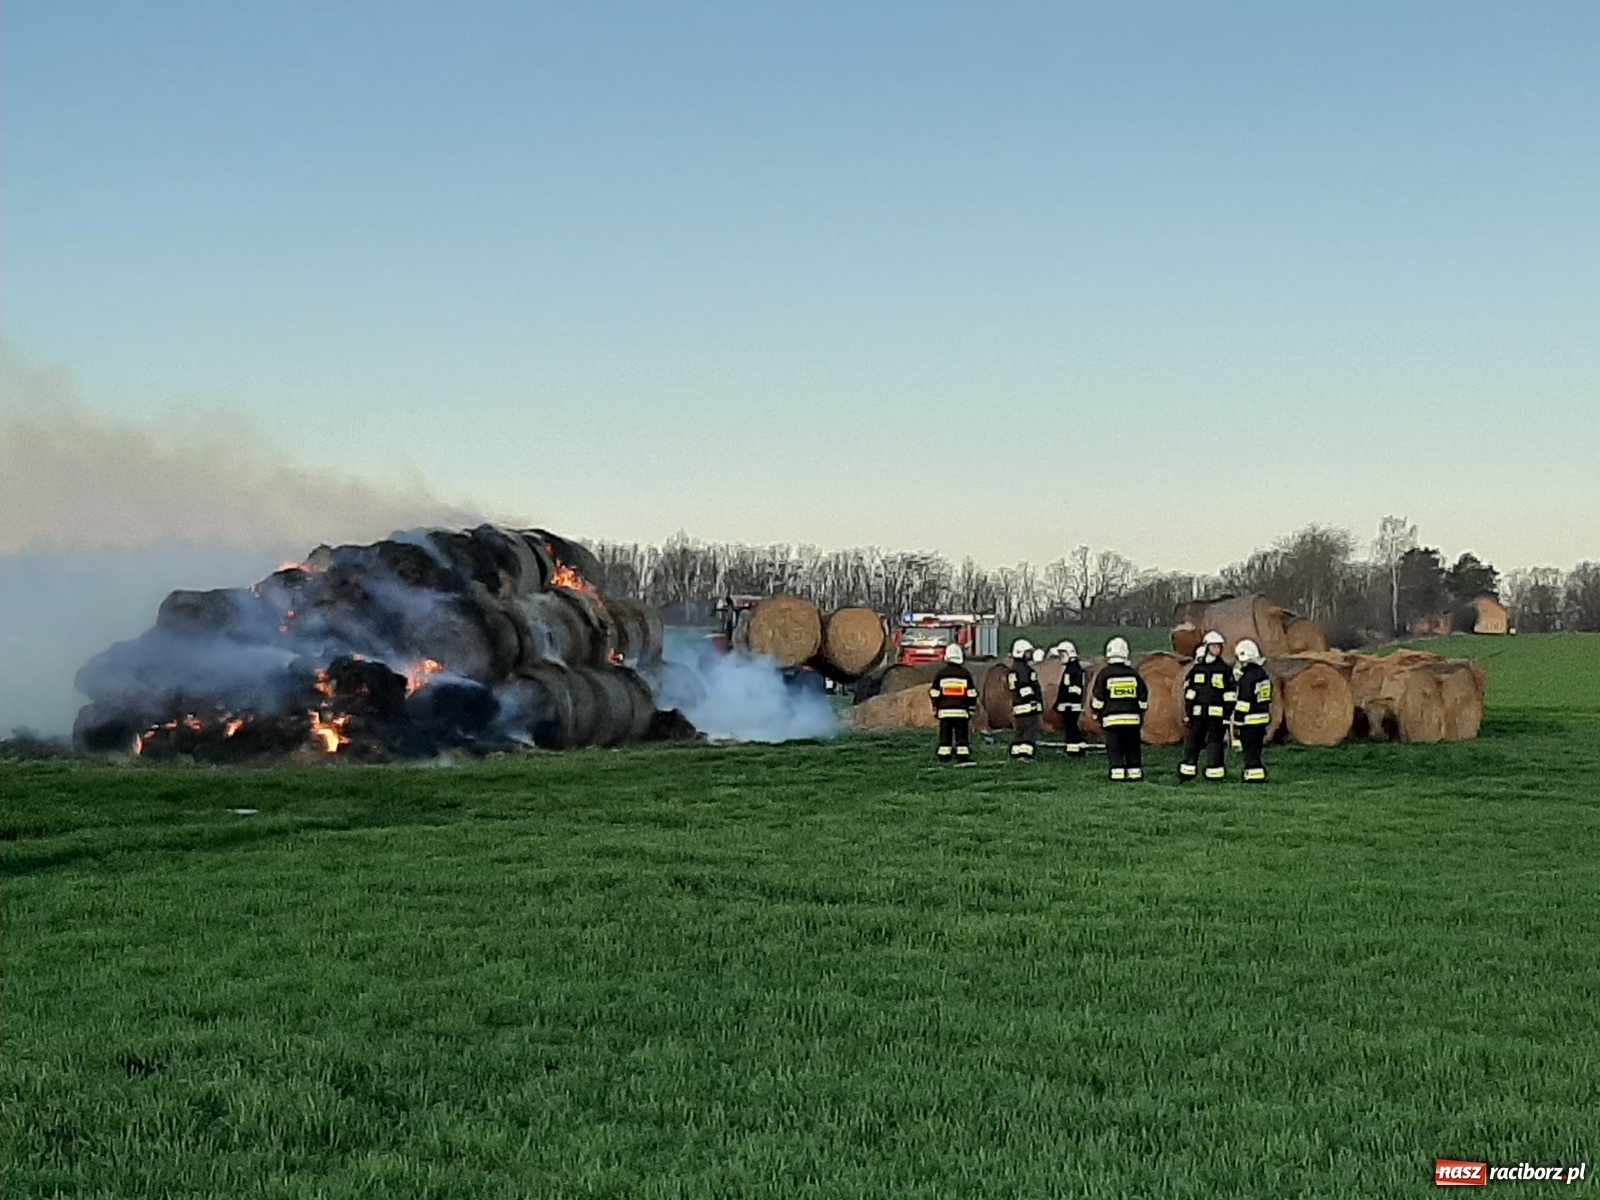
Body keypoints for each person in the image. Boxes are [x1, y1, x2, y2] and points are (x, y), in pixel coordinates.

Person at [1180, 630, 1236, 781]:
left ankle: (1214, 773)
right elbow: (1190, 692)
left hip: (1217, 716)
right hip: (1198, 714)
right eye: (1214, 646)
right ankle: (1188, 771)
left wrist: (1227, 713)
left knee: (1215, 743)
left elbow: (1230, 694)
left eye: (1219, 647)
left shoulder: (1225, 669)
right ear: (1206, 647)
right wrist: (1188, 712)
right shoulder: (1197, 669)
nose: (1217, 649)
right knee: (1192, 742)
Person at [1090, 637, 1148, 781]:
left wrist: (1097, 713)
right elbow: (1143, 698)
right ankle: (1135, 773)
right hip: (1132, 720)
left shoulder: (1104, 674)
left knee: (1115, 748)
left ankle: (1118, 773)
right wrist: (1140, 713)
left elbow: (1098, 699)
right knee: (1133, 748)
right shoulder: (1134, 674)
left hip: (1112, 720)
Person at [928, 642, 979, 765]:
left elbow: (934, 693)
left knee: (945, 734)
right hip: (961, 711)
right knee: (961, 734)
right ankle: (962, 756)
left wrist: (936, 706)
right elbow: (971, 693)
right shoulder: (965, 674)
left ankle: (944, 756)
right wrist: (971, 707)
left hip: (945, 711)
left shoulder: (941, 674)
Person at [1231, 639, 1272, 782]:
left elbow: (1244, 701)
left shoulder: (1247, 678)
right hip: (1263, 717)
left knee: (1249, 749)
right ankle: (1258, 773)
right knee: (1257, 749)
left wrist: (1238, 720)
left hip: (1250, 719)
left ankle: (1251, 774)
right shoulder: (1263, 674)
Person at [1006, 638, 1043, 760]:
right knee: (1029, 731)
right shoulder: (1023, 670)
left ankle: (1017, 753)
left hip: (1018, 706)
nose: (1030, 655)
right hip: (1027, 707)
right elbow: (1024, 688)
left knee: (1020, 732)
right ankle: (1026, 755)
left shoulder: (1014, 669)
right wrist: (1034, 700)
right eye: (1027, 652)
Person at [1051, 641, 1086, 755]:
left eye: (1062, 654)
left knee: (1071, 728)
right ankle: (1075, 748)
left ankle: (1073, 750)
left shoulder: (1073, 669)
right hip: (1070, 705)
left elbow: (1072, 689)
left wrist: (1063, 702)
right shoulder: (1071, 668)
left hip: (1071, 705)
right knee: (1071, 727)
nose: (1060, 657)